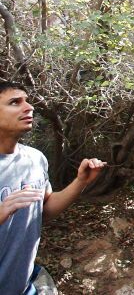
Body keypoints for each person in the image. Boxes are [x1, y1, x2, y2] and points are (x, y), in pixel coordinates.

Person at [0, 80, 106, 295]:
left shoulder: (34, 158)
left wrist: (81, 182)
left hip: (23, 286)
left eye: (27, 101)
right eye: (14, 102)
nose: (29, 107)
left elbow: (44, 210)